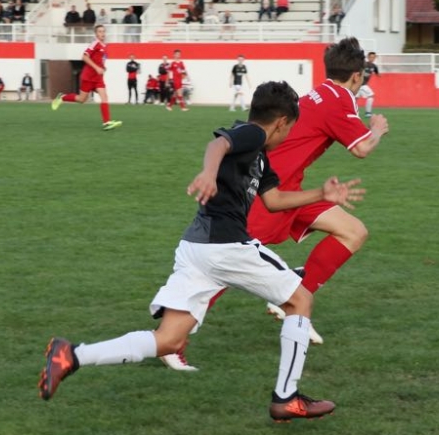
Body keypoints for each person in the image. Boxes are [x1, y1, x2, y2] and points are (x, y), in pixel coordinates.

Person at [38, 81, 364, 423]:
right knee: (300, 300)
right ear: (281, 122)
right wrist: (208, 174)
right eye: (290, 129)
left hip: (197, 249)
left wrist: (320, 194)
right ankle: (287, 398)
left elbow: (274, 200)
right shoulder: (252, 134)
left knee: (168, 339)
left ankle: (71, 355)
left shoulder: (259, 156)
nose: (289, 136)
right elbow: (218, 144)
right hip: (226, 247)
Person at [163, 38, 389, 370]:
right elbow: (361, 149)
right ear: (357, 76)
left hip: (292, 188)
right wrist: (378, 129)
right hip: (268, 191)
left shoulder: (320, 91)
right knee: (224, 265)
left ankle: (295, 296)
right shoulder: (340, 98)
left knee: (353, 231)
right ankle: (172, 339)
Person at [51, 24, 122, 131]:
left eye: (103, 31)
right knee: (82, 99)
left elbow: (100, 60)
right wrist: (97, 68)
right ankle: (62, 97)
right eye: (100, 31)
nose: (102, 33)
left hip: (98, 78)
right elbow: (84, 57)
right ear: (96, 34)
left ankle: (107, 122)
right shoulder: (95, 43)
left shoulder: (105, 46)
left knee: (104, 96)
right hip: (88, 77)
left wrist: (103, 67)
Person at [356, 51, 379, 117]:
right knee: (370, 95)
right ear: (368, 57)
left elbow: (377, 73)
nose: (372, 58)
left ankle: (352, 112)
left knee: (355, 98)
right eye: (370, 57)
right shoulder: (364, 64)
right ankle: (368, 112)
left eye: (373, 57)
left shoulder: (374, 66)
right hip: (361, 84)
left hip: (361, 85)